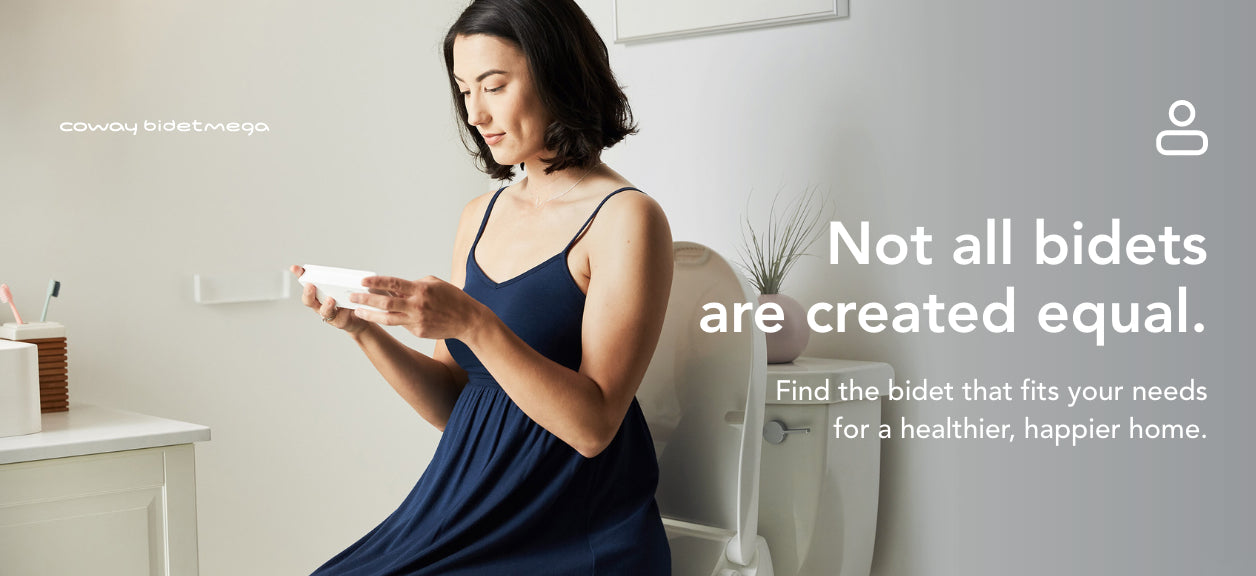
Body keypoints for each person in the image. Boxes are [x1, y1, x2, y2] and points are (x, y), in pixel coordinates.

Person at [293, 0, 674, 573]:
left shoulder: (626, 218)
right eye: (464, 90)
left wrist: (472, 322)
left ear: (557, 75)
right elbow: (455, 401)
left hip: (566, 528)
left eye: (493, 86)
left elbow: (594, 428)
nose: (475, 114)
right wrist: (362, 330)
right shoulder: (480, 214)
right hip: (467, 508)